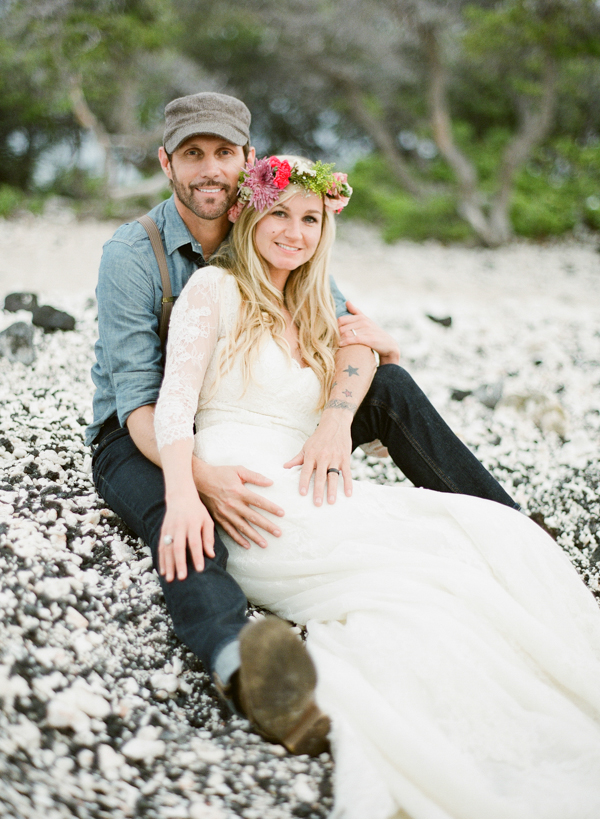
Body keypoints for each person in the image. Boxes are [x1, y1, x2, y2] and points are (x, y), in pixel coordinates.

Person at [153, 153, 600, 818]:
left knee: (474, 536)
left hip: (308, 471)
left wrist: (335, 422)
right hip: (249, 487)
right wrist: (186, 493)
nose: (294, 232)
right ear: (249, 217)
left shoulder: (308, 297)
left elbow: (366, 346)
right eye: (279, 214)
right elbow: (172, 404)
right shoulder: (214, 291)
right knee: (426, 587)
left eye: (310, 219)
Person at [89, 91, 518, 751]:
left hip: (259, 419)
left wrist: (336, 417)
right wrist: (197, 479)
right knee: (182, 527)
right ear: (166, 162)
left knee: (393, 387)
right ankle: (245, 667)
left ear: (249, 163)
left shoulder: (276, 222)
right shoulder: (134, 254)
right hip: (142, 433)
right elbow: (141, 398)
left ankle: (507, 532)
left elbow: (354, 330)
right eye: (193, 154)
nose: (210, 169)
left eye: (223, 153)